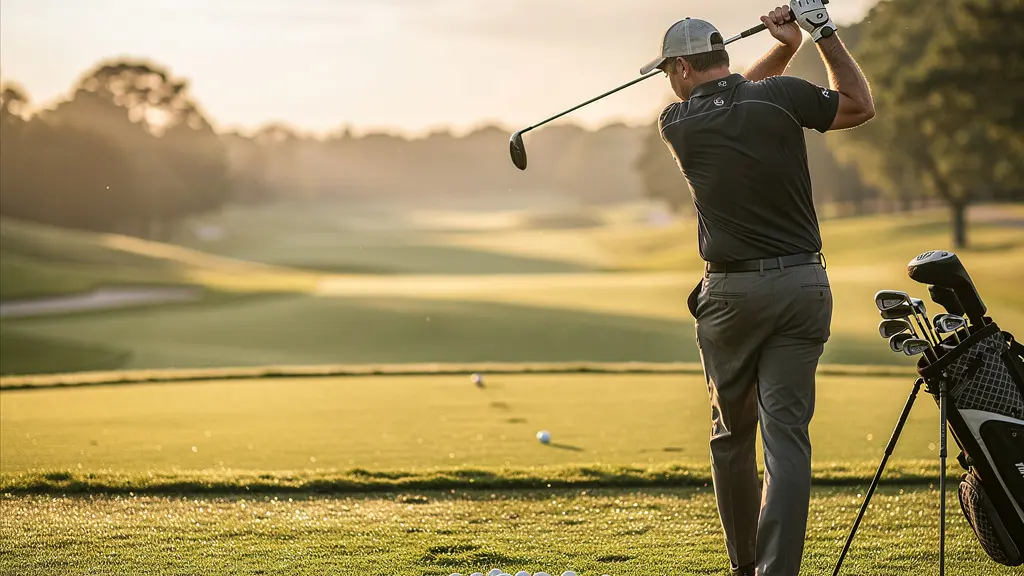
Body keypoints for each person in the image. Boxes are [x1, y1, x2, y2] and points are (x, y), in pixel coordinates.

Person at [638, 1, 874, 575]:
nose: (671, 82)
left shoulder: (677, 124)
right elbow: (858, 105)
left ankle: (745, 568)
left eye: (670, 71)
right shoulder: (783, 97)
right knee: (786, 439)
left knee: (732, 437)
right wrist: (818, 36)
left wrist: (786, 46)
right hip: (802, 286)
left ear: (682, 71)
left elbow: (735, 95)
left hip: (732, 297)